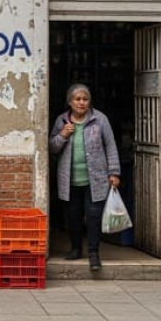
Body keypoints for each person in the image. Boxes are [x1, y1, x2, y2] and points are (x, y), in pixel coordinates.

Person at [49, 83, 121, 271]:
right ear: (70, 102)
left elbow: (110, 146)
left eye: (85, 99)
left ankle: (93, 253)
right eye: (77, 99)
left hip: (95, 178)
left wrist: (114, 172)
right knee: (73, 216)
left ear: (89, 101)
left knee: (93, 216)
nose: (81, 103)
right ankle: (75, 249)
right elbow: (52, 147)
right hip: (70, 179)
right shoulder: (62, 121)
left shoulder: (100, 120)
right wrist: (63, 135)